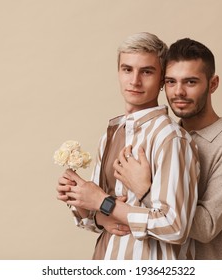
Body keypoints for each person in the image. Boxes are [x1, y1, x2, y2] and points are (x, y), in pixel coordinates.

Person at [56, 32, 199, 260]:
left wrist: (102, 201)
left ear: (162, 79)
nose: (135, 81)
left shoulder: (170, 138)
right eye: (127, 69)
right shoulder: (112, 133)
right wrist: (80, 196)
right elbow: (100, 219)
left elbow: (175, 226)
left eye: (147, 71)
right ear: (118, 72)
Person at [114, 38, 222, 259]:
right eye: (171, 81)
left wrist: (146, 190)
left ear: (213, 84)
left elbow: (207, 226)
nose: (178, 92)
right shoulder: (165, 138)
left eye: (190, 82)